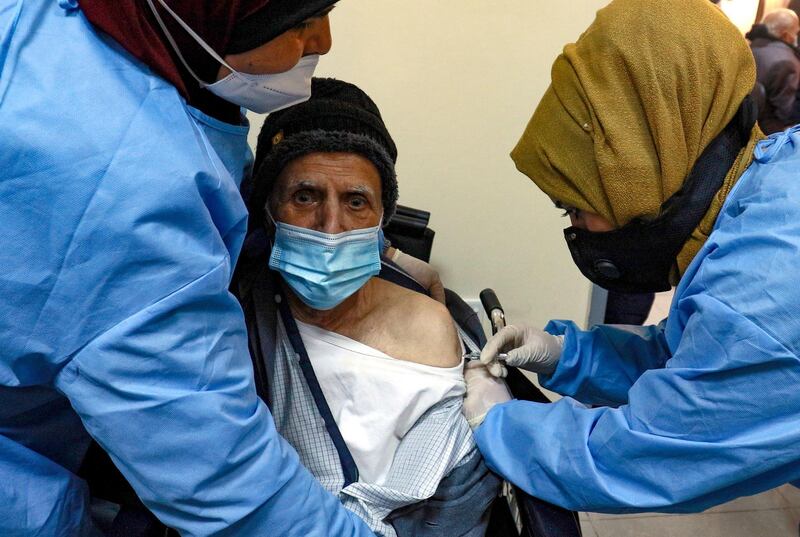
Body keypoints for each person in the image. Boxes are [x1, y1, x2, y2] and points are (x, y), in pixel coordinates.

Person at [0, 1, 382, 535]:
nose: (323, 40)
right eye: (299, 24)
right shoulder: (131, 202)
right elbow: (234, 487)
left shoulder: (73, 25)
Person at [475, 0, 800, 514]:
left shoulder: (768, 278)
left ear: (651, 158)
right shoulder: (766, 190)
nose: (577, 228)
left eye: (579, 205)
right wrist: (563, 353)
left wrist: (496, 423)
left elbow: (647, 453)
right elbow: (693, 359)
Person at [235, 77, 501, 537]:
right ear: (268, 209)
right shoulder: (238, 315)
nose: (331, 228)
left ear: (381, 220)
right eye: (305, 196)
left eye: (356, 202)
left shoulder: (429, 328)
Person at [750, 9, 800, 133]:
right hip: (765, 133)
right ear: (785, 35)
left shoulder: (750, 46)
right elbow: (785, 114)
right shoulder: (788, 63)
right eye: (796, 32)